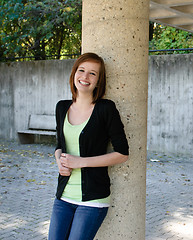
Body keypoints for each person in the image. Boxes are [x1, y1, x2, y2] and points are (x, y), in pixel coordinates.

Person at [48, 52, 129, 239]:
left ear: (99, 80)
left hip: (93, 200)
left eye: (92, 73)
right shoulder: (62, 107)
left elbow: (122, 153)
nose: (85, 77)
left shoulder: (105, 109)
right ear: (74, 73)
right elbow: (60, 144)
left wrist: (81, 162)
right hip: (63, 196)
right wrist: (59, 160)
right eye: (81, 70)